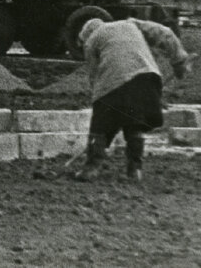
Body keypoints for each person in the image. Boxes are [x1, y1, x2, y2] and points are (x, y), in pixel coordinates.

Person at [75, 16, 191, 182]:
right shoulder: (130, 24)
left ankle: (92, 168)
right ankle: (134, 170)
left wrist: (100, 109)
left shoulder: (91, 40)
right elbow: (165, 34)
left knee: (99, 127)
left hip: (113, 81)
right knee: (134, 124)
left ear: (86, 34)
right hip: (147, 78)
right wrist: (179, 61)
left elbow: (94, 77)